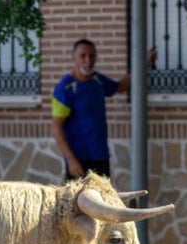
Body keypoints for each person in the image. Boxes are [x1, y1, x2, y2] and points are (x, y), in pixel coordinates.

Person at [51, 39, 157, 180]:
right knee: (76, 202)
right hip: (79, 161)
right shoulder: (65, 88)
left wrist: (145, 63)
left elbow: (120, 86)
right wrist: (71, 160)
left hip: (100, 157)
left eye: (92, 56)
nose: (88, 60)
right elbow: (56, 127)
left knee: (102, 200)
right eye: (83, 56)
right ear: (74, 57)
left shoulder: (97, 80)